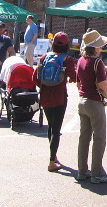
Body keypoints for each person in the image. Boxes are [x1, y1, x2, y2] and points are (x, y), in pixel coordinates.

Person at [75, 29, 107, 184]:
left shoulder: (80, 60)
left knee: (84, 137)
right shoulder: (97, 62)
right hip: (94, 102)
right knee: (99, 138)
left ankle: (82, 170)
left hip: (82, 100)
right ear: (95, 48)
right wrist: (106, 73)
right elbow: (103, 85)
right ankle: (97, 173)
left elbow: (78, 83)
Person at [33, 32, 75, 172]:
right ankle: (52, 161)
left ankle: (54, 156)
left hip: (45, 96)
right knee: (56, 129)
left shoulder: (44, 57)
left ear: (53, 44)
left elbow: (35, 78)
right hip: (59, 96)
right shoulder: (67, 59)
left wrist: (46, 84)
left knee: (51, 127)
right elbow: (73, 77)